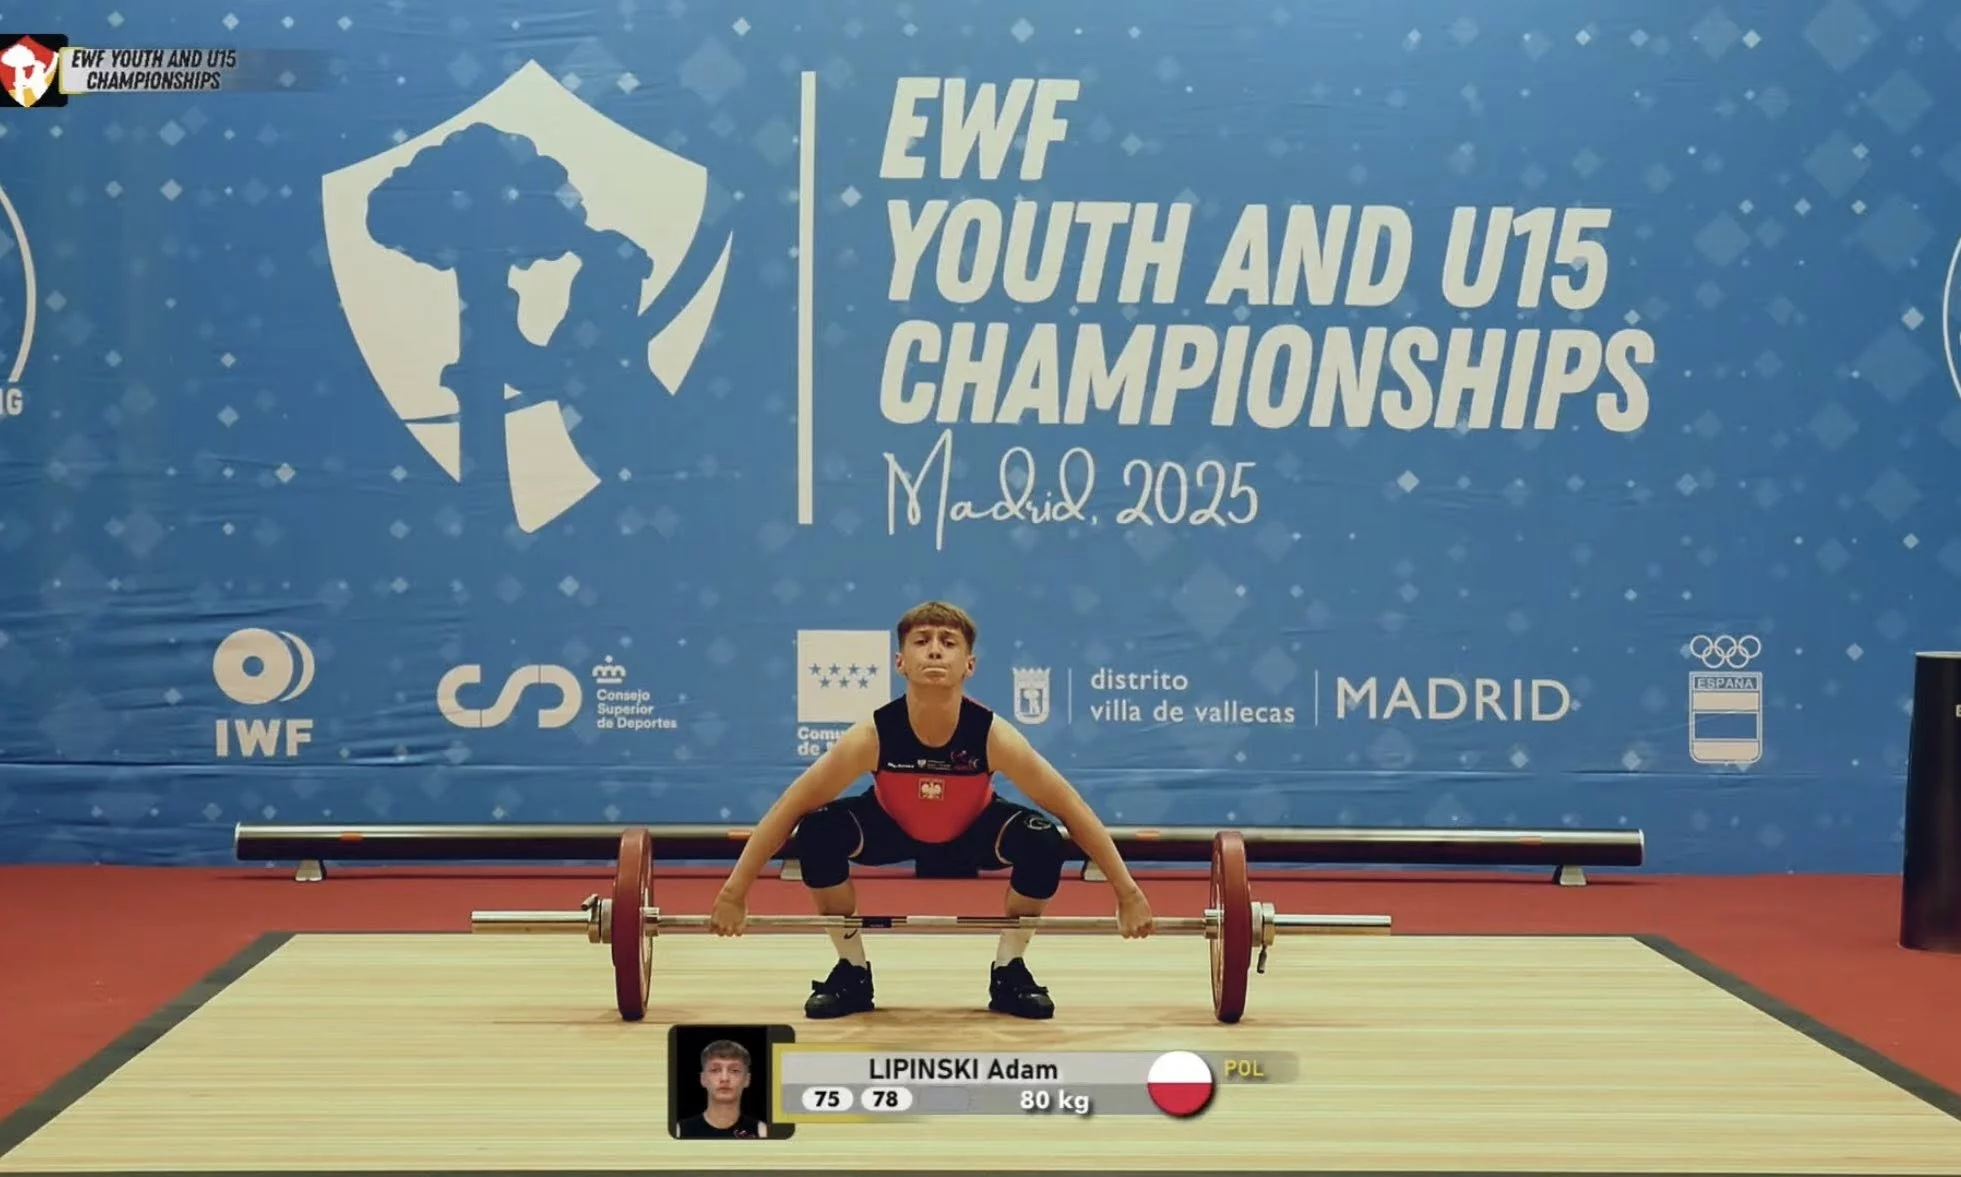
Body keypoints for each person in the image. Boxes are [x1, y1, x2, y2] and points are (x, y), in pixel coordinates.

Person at [709, 601, 1155, 1020]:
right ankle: (851, 971)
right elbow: (787, 808)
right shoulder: (873, 735)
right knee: (817, 830)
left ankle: (1009, 970)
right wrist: (733, 893)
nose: (935, 650)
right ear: (900, 662)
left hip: (973, 831)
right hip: (890, 828)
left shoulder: (992, 735)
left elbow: (1072, 809)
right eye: (921, 641)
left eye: (948, 642)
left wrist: (1128, 893)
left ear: (969, 664)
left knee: (1043, 838)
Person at [673, 1039, 770, 1139]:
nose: (724, 1078)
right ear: (703, 1079)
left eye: (734, 1070)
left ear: (747, 1079)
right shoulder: (679, 1132)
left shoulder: (763, 1133)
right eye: (715, 1070)